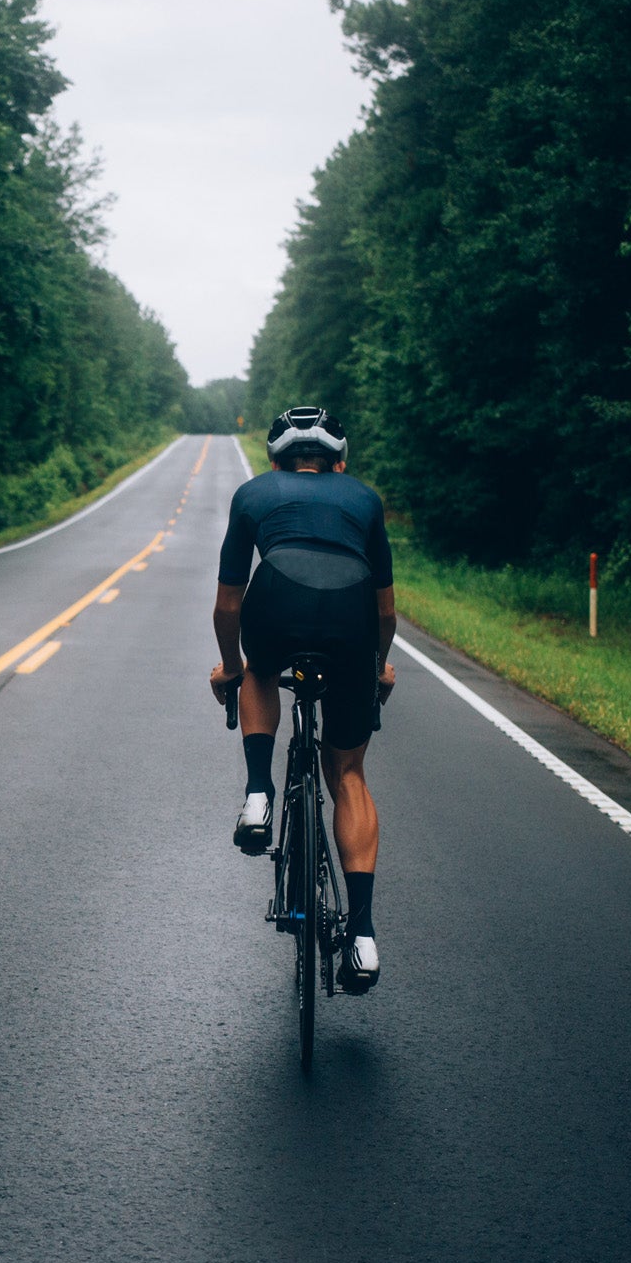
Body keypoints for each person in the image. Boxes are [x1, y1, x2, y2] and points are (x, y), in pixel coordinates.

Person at [209, 406, 396, 993]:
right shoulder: (365, 500)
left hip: (276, 604)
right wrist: (376, 667)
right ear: (340, 460)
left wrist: (234, 666)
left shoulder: (251, 494)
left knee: (261, 668)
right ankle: (362, 938)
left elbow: (228, 605)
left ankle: (259, 795)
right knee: (348, 774)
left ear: (274, 460)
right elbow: (386, 611)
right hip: (352, 621)